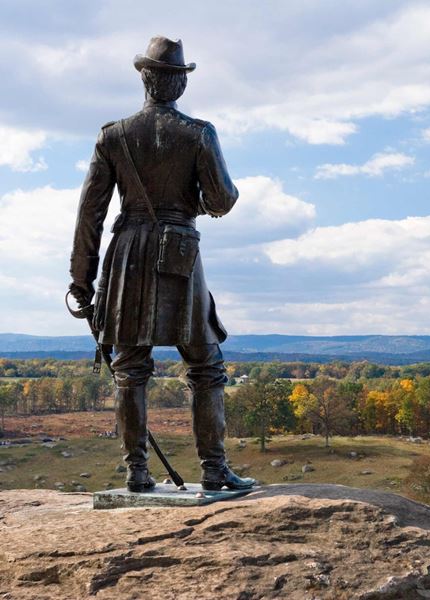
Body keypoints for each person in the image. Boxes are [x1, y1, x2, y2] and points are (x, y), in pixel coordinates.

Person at [68, 36, 255, 493]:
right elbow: (223, 200)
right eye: (175, 76)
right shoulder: (198, 133)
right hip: (178, 253)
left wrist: (81, 279)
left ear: (145, 79)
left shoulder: (114, 135)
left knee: (131, 367)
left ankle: (137, 472)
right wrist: (195, 198)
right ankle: (214, 470)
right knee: (205, 364)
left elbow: (90, 212)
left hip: (128, 251)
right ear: (175, 83)